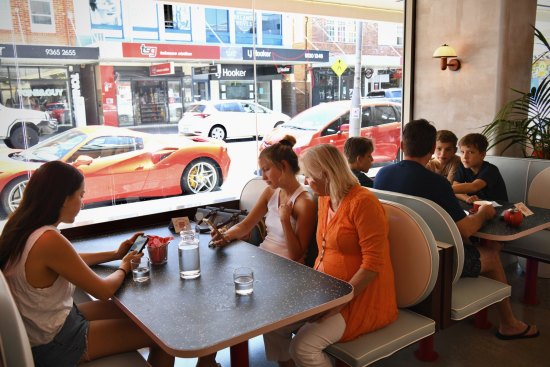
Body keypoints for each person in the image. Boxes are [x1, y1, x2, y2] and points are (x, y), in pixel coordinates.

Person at [374, 119, 539, 340]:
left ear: (402, 145)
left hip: (394, 255)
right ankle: (509, 324)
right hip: (436, 262)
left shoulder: (383, 174)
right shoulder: (436, 183)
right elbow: (465, 230)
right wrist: (484, 213)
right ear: (432, 150)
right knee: (490, 256)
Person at [0, 161, 174, 367]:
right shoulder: (48, 240)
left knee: (141, 315)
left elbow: (70, 259)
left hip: (47, 327)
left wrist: (116, 254)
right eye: (81, 195)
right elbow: (103, 290)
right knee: (162, 335)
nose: (82, 203)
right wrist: (124, 266)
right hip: (56, 342)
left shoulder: (22, 228)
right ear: (63, 199)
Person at [261, 144, 397, 367]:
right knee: (273, 324)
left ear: (326, 174)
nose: (306, 182)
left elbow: (373, 264)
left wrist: (338, 304)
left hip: (360, 298)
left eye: (309, 176)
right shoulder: (325, 197)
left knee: (303, 347)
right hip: (324, 289)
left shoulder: (363, 203)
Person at [202, 135, 316, 367]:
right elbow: (246, 225)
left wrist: (285, 220)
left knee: (235, 304)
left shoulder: (304, 202)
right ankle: (207, 360)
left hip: (288, 272)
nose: (262, 177)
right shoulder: (271, 192)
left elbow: (298, 256)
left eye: (266, 170)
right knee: (220, 295)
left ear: (283, 167)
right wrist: (225, 235)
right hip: (264, 262)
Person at [452, 133, 508, 203]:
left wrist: (443, 188)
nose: (465, 156)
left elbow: (474, 187)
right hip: (477, 205)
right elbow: (456, 188)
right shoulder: (463, 167)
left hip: (498, 207)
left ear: (482, 155)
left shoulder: (491, 169)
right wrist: (467, 198)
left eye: (470, 152)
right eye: (462, 152)